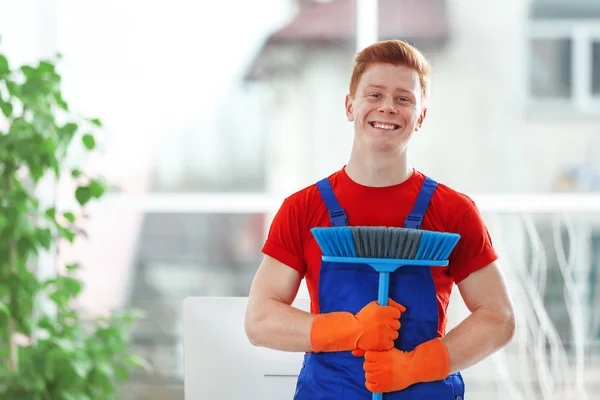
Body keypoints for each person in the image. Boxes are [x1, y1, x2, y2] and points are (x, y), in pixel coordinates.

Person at [244, 39, 516, 399]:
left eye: (404, 98)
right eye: (374, 95)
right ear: (349, 105)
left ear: (420, 117)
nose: (387, 107)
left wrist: (417, 365)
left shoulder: (453, 211)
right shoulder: (303, 209)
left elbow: (499, 318)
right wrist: (348, 329)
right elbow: (260, 320)